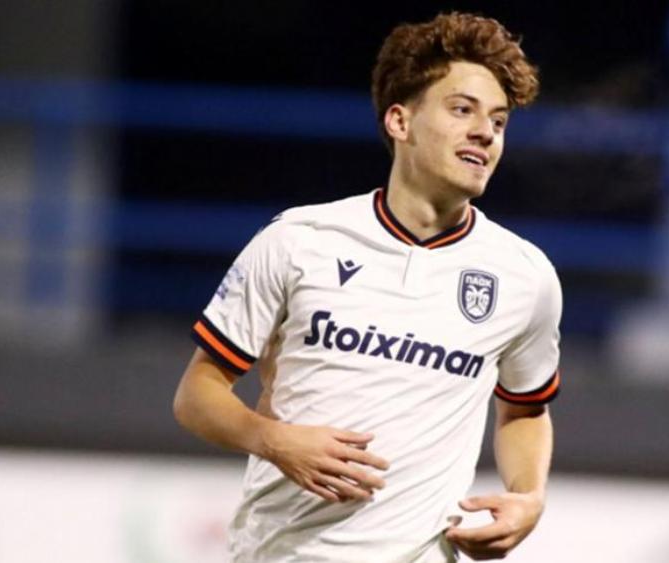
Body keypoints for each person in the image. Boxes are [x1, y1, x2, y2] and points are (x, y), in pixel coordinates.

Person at [173, 12, 562, 562]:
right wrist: (273, 441)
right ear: (400, 121)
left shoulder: (524, 275)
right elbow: (196, 395)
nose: (485, 132)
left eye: (498, 121)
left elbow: (524, 409)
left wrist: (529, 497)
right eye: (462, 110)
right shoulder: (299, 240)